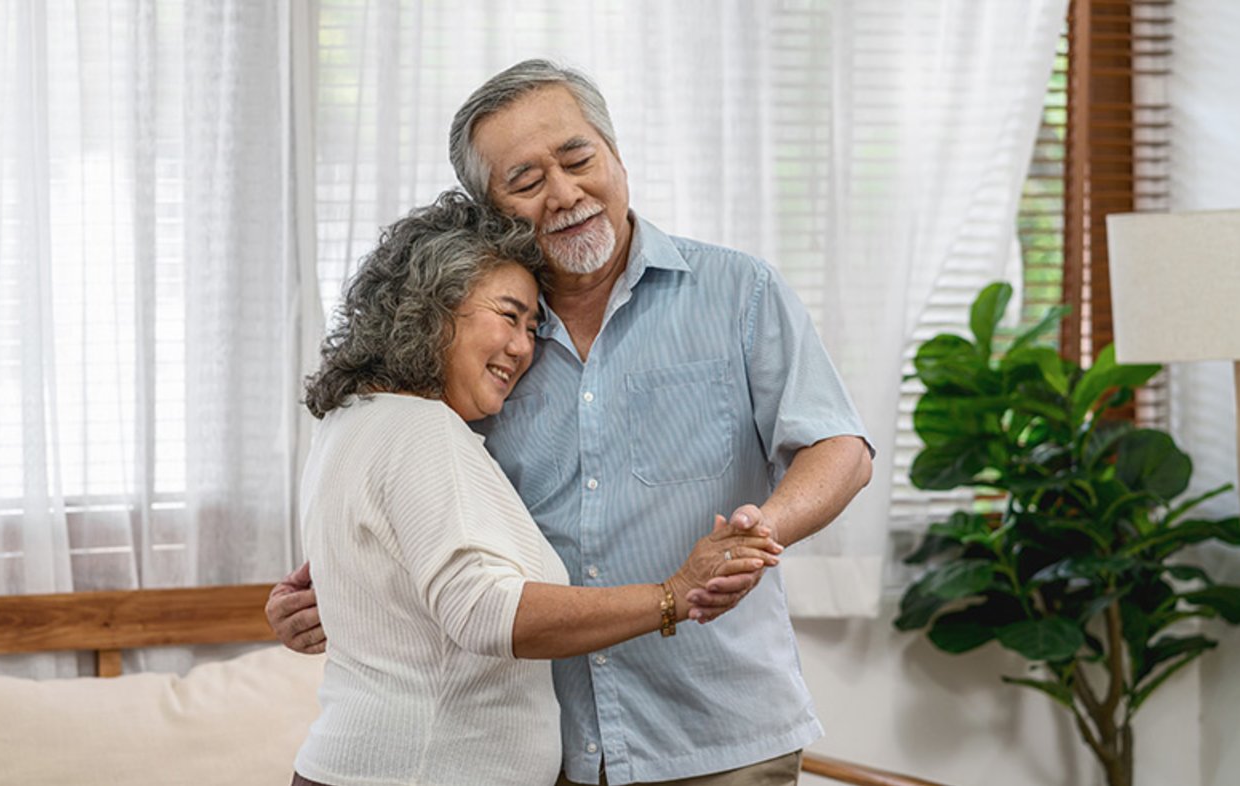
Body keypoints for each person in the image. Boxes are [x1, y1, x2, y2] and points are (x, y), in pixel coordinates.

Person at [270, 61, 875, 786]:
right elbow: (421, 519)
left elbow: (840, 446)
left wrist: (758, 533)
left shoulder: (738, 291)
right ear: (490, 210)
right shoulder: (474, 351)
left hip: (719, 735)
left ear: (616, 155)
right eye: (525, 181)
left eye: (578, 158)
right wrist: (348, 593)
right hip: (553, 747)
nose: (564, 193)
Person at [289, 190, 780, 786]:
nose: (524, 348)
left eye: (533, 325)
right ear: (433, 307)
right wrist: (673, 595)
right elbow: (484, 612)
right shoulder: (421, 429)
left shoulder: (351, 419)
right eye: (508, 315)